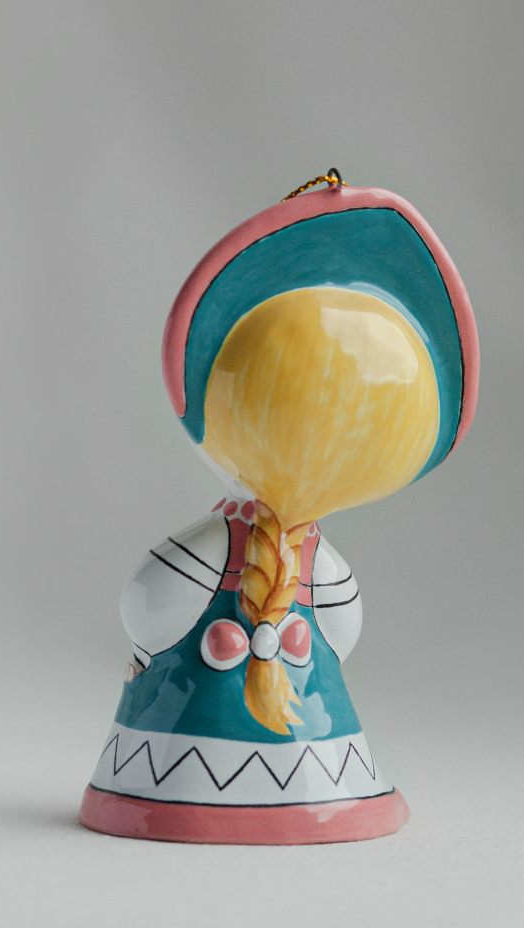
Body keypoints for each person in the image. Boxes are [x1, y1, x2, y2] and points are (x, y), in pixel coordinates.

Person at [80, 177, 478, 844]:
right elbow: (342, 624)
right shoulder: (312, 556)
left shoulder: (223, 543)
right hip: (315, 754)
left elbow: (148, 605)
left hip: (175, 756)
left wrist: (150, 649)